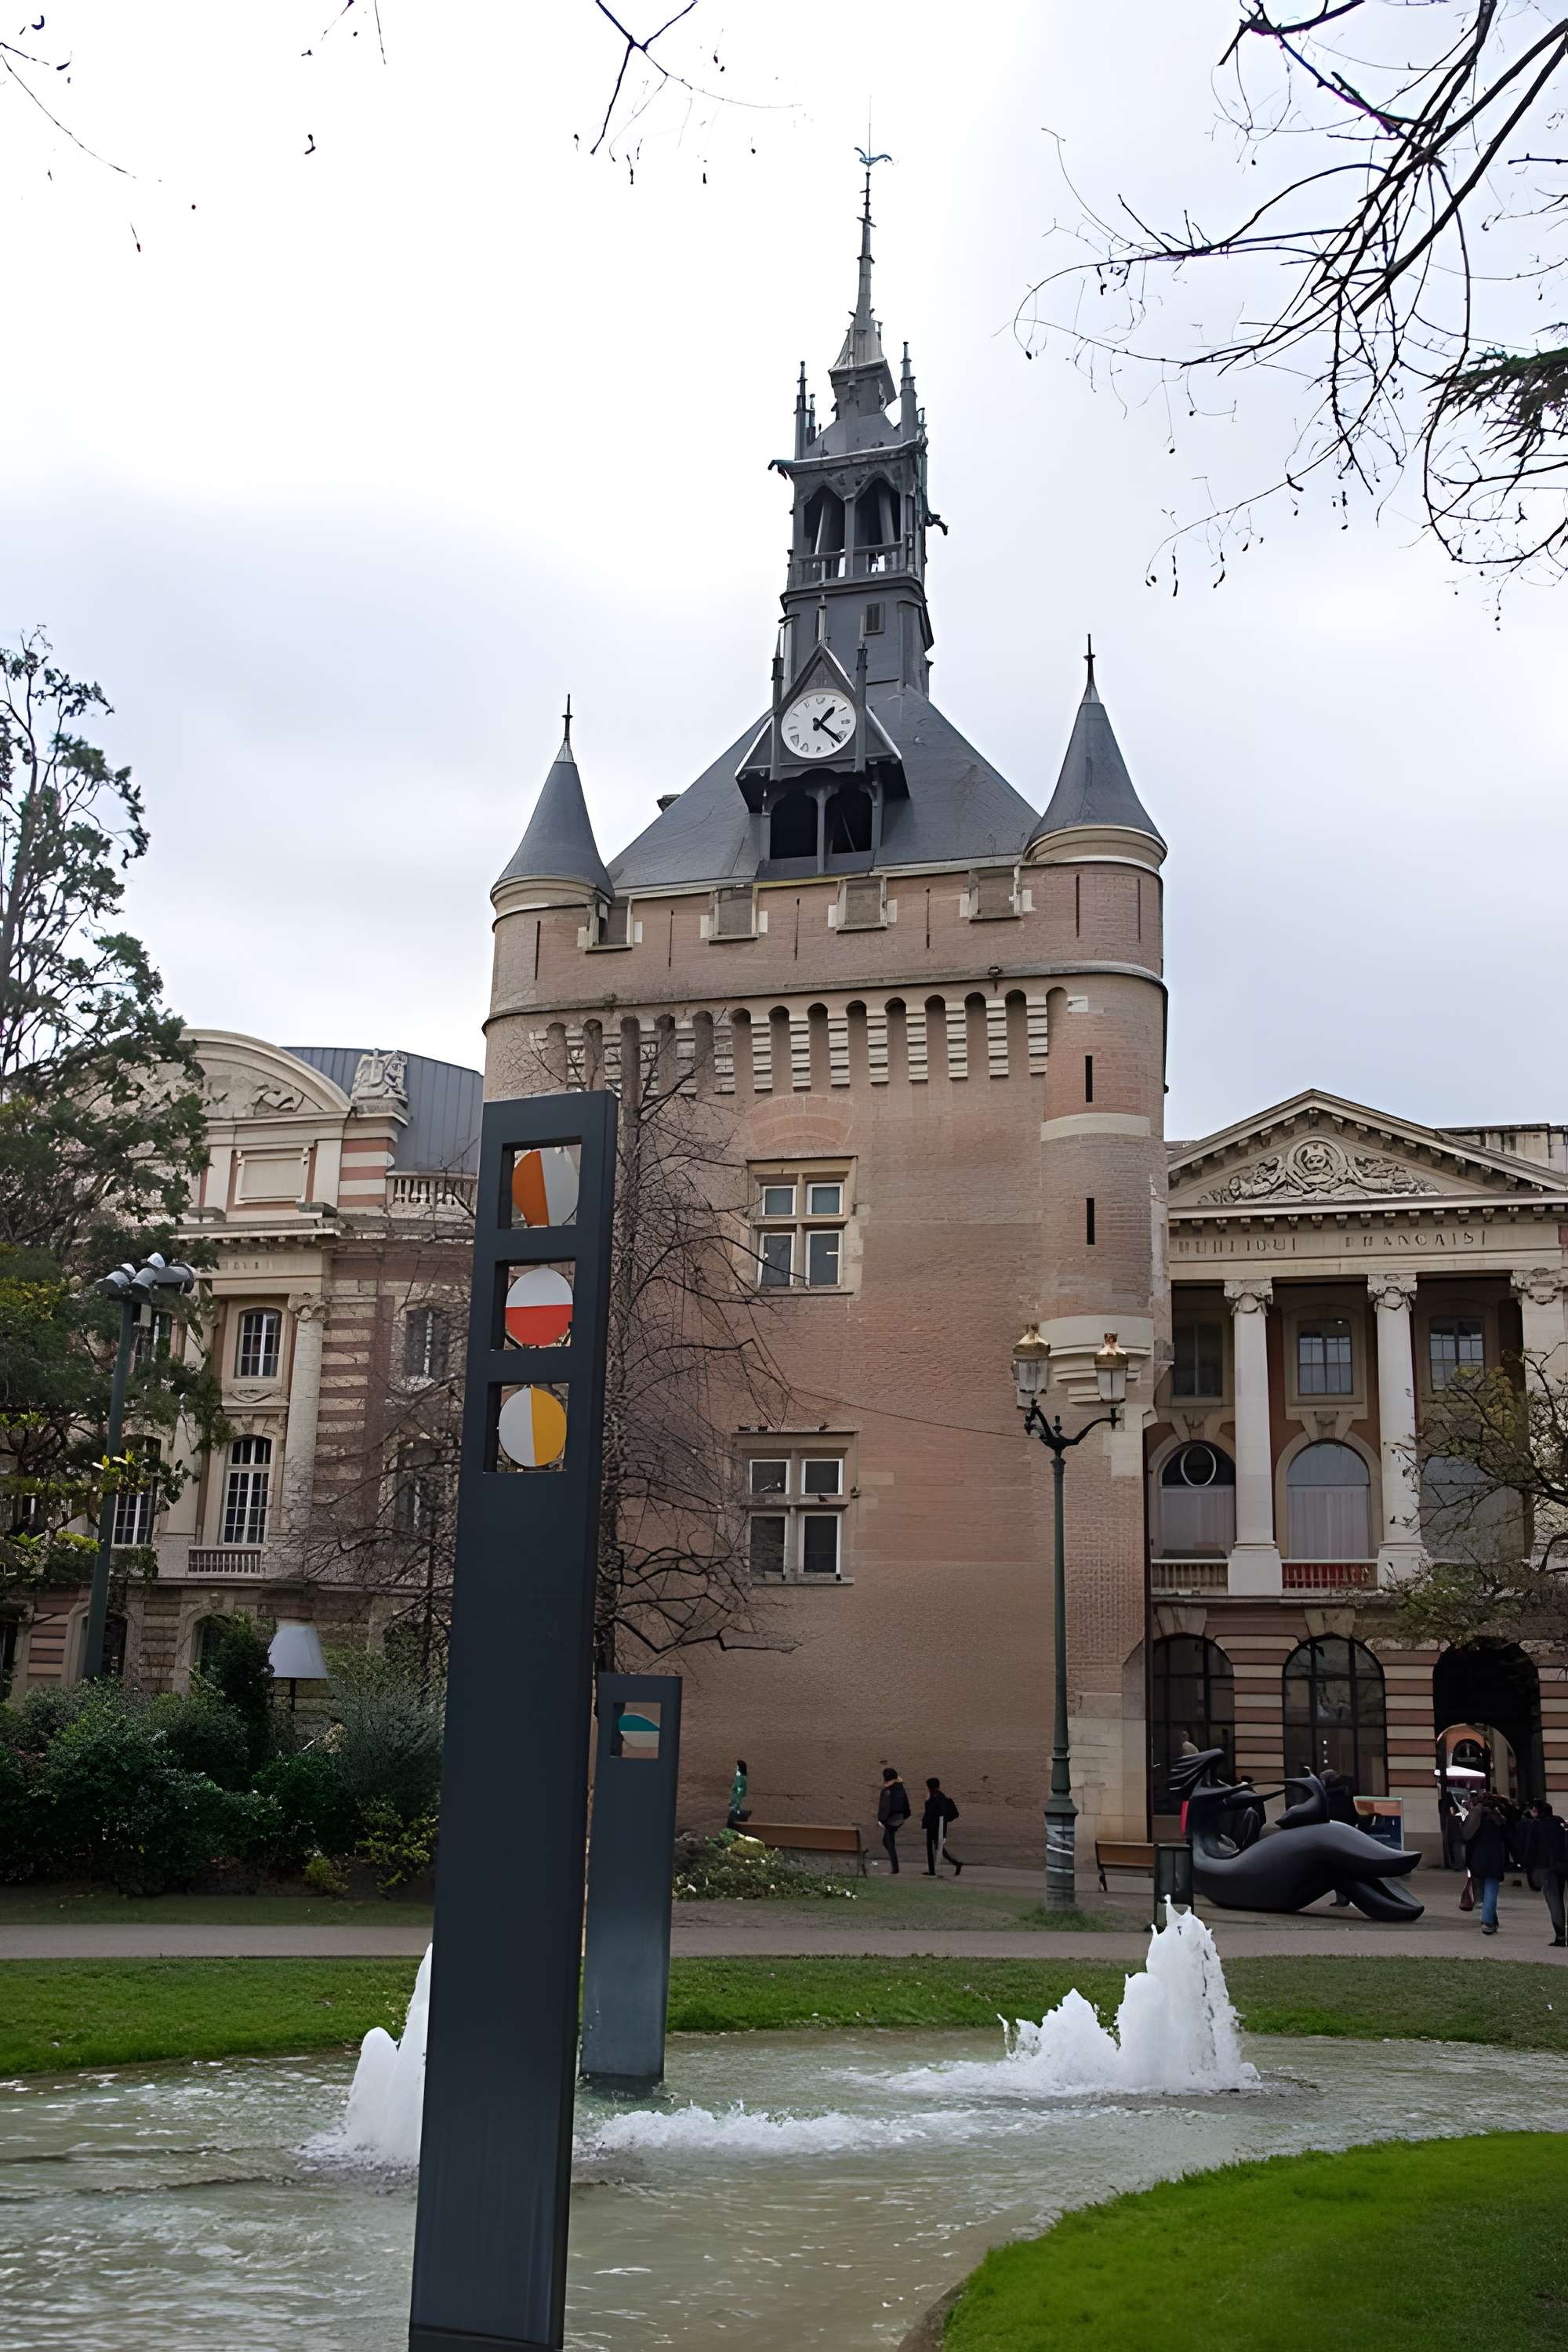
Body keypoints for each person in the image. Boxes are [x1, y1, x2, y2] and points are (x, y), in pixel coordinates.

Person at [1461, 1790, 1514, 1936]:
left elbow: (1467, 1838)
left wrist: (1468, 1861)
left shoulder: (1475, 1816)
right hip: (1495, 1858)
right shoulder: (1499, 1819)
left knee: (1484, 1892)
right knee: (1491, 1889)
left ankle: (1489, 1920)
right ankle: (1489, 1921)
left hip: (1477, 1858)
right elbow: (1507, 1840)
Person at [1518, 1798, 1568, 1949]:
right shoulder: (1560, 1824)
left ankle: (1560, 1936)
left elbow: (1530, 1848)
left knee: (1554, 1902)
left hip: (1545, 1867)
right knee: (1561, 1898)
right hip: (1562, 1866)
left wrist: (1526, 1865)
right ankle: (1563, 1935)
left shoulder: (1536, 1826)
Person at [921, 1777, 964, 1878]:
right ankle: (956, 1864)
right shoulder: (941, 1797)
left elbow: (931, 1813)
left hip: (934, 1827)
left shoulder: (934, 1798)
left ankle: (933, 1871)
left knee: (933, 1849)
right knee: (939, 1848)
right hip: (940, 1827)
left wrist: (925, 1824)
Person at [877, 1766, 910, 1874]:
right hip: (900, 1818)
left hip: (890, 1820)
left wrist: (882, 1820)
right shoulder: (900, 1788)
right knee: (886, 1841)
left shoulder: (887, 1791)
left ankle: (895, 1868)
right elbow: (906, 1804)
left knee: (889, 1843)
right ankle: (894, 1864)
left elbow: (885, 1808)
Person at [1438, 1785, 1466, 1871]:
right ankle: (1456, 1863)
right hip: (1454, 1831)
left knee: (1452, 1847)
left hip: (1451, 1830)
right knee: (1455, 1848)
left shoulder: (1446, 1807)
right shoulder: (1454, 1807)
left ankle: (1455, 1863)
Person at [726, 1759, 750, 1828]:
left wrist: (732, 1802)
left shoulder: (740, 1779)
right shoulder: (742, 1778)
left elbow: (738, 1792)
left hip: (735, 1807)